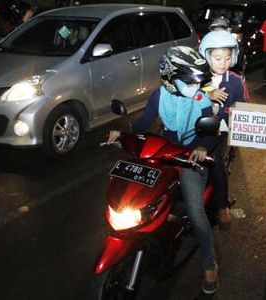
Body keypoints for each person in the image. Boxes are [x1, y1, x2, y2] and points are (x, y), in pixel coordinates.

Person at [107, 46, 219, 294]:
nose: (193, 85)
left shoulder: (202, 99)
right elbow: (144, 123)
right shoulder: (160, 95)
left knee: (196, 212)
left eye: (195, 80)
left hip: (191, 156)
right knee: (140, 195)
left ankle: (210, 265)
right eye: (187, 80)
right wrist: (123, 134)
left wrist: (201, 148)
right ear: (170, 77)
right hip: (164, 149)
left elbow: (210, 133)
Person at [198, 30, 250, 230]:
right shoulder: (198, 79)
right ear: (206, 55)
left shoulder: (237, 81)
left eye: (227, 58)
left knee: (216, 161)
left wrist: (223, 111)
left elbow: (245, 108)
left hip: (223, 130)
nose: (223, 63)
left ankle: (221, 206)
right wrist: (207, 95)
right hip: (200, 128)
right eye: (218, 58)